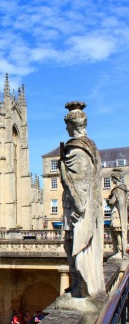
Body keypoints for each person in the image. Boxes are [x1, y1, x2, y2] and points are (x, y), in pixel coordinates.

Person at [59, 101, 105, 298]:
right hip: (83, 208)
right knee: (72, 246)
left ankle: (81, 287)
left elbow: (78, 182)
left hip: (77, 210)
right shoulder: (91, 146)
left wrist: (78, 207)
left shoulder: (77, 149)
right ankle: (79, 285)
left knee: (74, 248)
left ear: (73, 125)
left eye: (67, 124)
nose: (65, 128)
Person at [107, 168, 128, 259]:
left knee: (117, 232)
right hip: (121, 214)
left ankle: (119, 251)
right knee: (118, 232)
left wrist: (108, 200)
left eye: (112, 179)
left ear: (116, 178)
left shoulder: (117, 190)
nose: (112, 181)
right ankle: (121, 250)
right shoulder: (124, 189)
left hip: (116, 214)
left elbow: (112, 202)